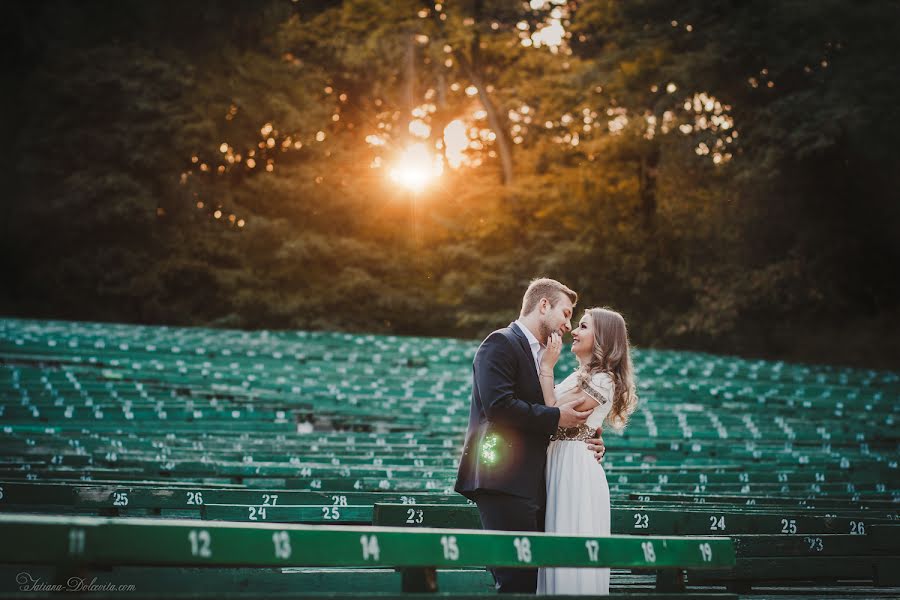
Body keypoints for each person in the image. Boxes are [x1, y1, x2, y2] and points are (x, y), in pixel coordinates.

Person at [454, 278, 606, 594]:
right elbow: (499, 407)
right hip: (502, 479)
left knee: (534, 581)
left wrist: (586, 436)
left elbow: (554, 414)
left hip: (533, 480)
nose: (567, 324)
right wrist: (556, 418)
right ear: (543, 305)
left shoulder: (543, 356)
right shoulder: (500, 342)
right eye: (565, 314)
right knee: (516, 580)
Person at [536, 307, 639, 595]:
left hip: (575, 468)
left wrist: (546, 367)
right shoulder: (580, 375)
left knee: (569, 544)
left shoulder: (605, 379)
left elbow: (552, 410)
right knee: (555, 547)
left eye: (583, 326)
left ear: (603, 338)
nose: (574, 331)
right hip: (560, 459)